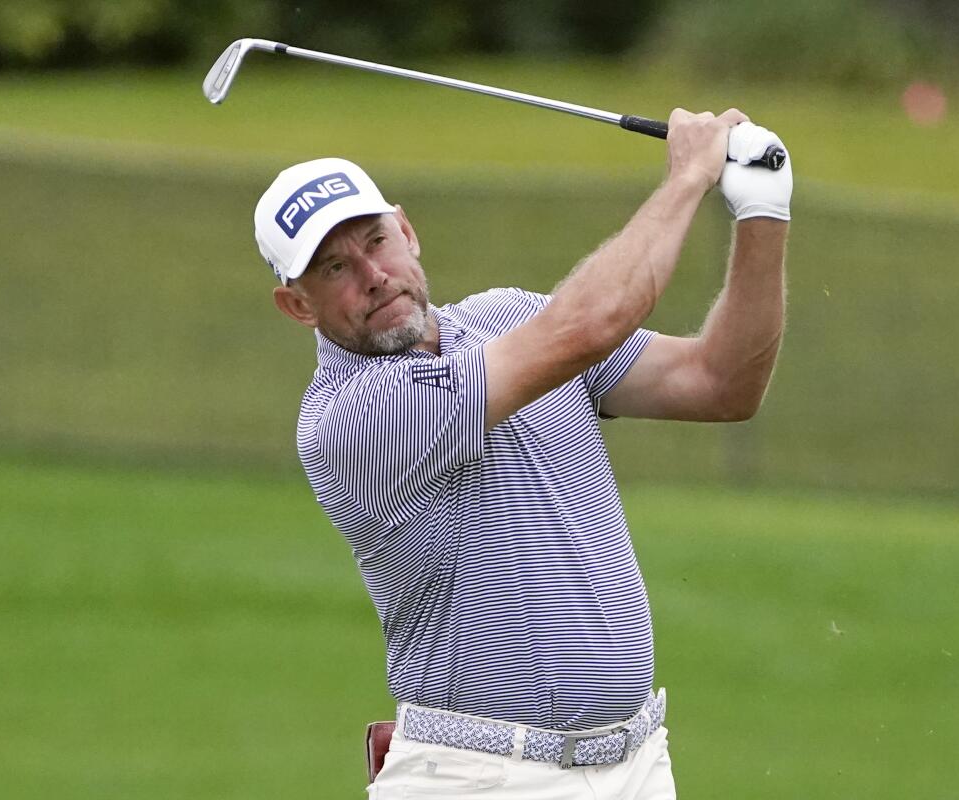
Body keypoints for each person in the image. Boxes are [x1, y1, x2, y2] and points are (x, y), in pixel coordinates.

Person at [253, 108, 792, 798]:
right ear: (298, 306)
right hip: (484, 779)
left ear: (408, 231)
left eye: (376, 241)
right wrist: (690, 176)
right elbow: (589, 323)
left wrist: (764, 209)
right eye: (334, 267)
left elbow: (722, 382)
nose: (372, 275)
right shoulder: (351, 419)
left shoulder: (507, 317)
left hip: (636, 765)